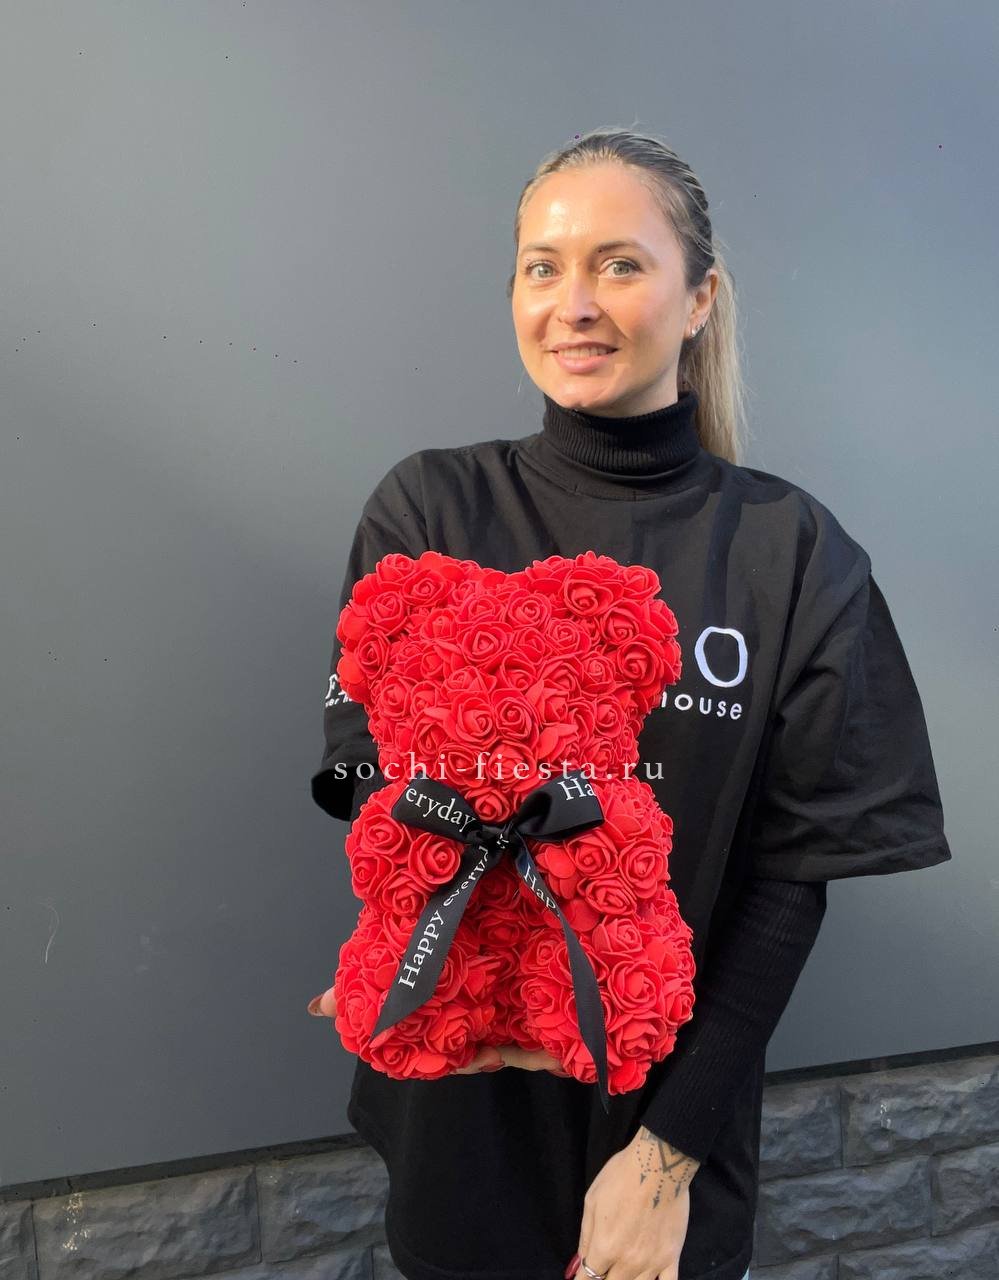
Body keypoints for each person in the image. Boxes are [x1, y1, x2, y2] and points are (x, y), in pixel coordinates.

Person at [306, 128, 952, 1280]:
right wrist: (442, 923)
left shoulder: (791, 550)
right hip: (461, 1112)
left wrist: (666, 1156)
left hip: (674, 1135)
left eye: (619, 263)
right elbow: (362, 769)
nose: (574, 303)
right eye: (542, 266)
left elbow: (791, 877)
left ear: (699, 298)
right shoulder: (431, 505)